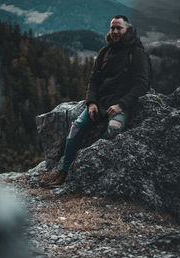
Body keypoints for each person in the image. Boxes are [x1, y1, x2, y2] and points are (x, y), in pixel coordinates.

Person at [47, 15, 150, 187]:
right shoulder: (105, 52)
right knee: (75, 127)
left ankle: (89, 172)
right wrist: (91, 102)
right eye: (113, 28)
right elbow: (94, 80)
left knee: (113, 130)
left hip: (121, 104)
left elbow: (142, 84)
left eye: (119, 28)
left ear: (128, 29)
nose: (115, 31)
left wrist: (121, 105)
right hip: (100, 102)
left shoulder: (136, 52)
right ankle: (63, 173)